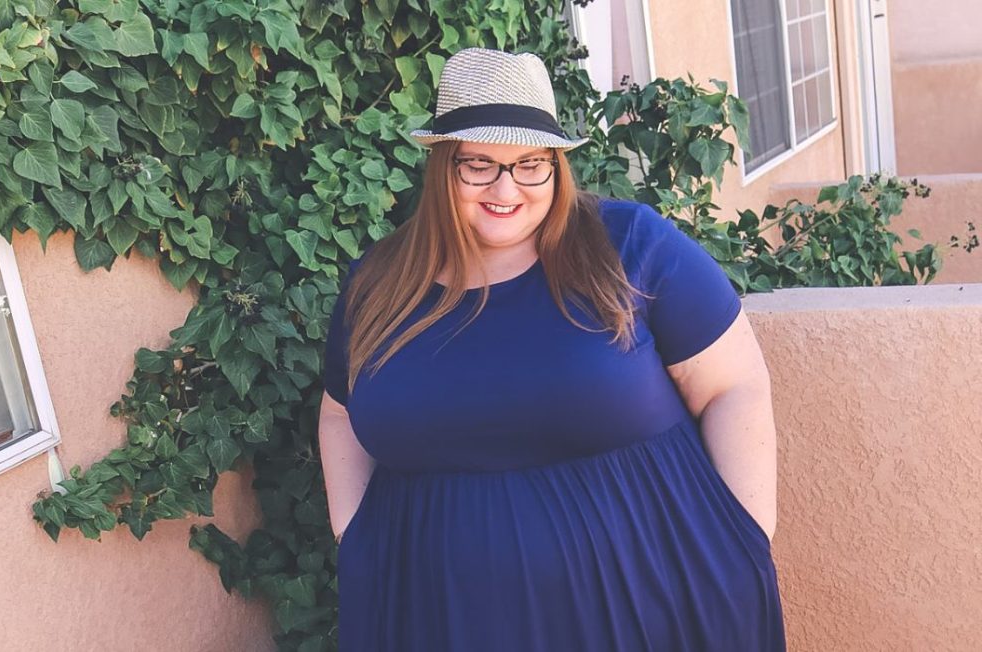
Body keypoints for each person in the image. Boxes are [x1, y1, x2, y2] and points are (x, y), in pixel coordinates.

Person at [318, 47, 786, 651]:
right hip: (436, 617)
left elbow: (734, 385)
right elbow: (338, 414)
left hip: (654, 608)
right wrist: (356, 540)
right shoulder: (378, 283)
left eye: (531, 164)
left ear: (557, 167)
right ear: (442, 166)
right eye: (479, 164)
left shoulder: (631, 246)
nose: (506, 188)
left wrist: (744, 537)